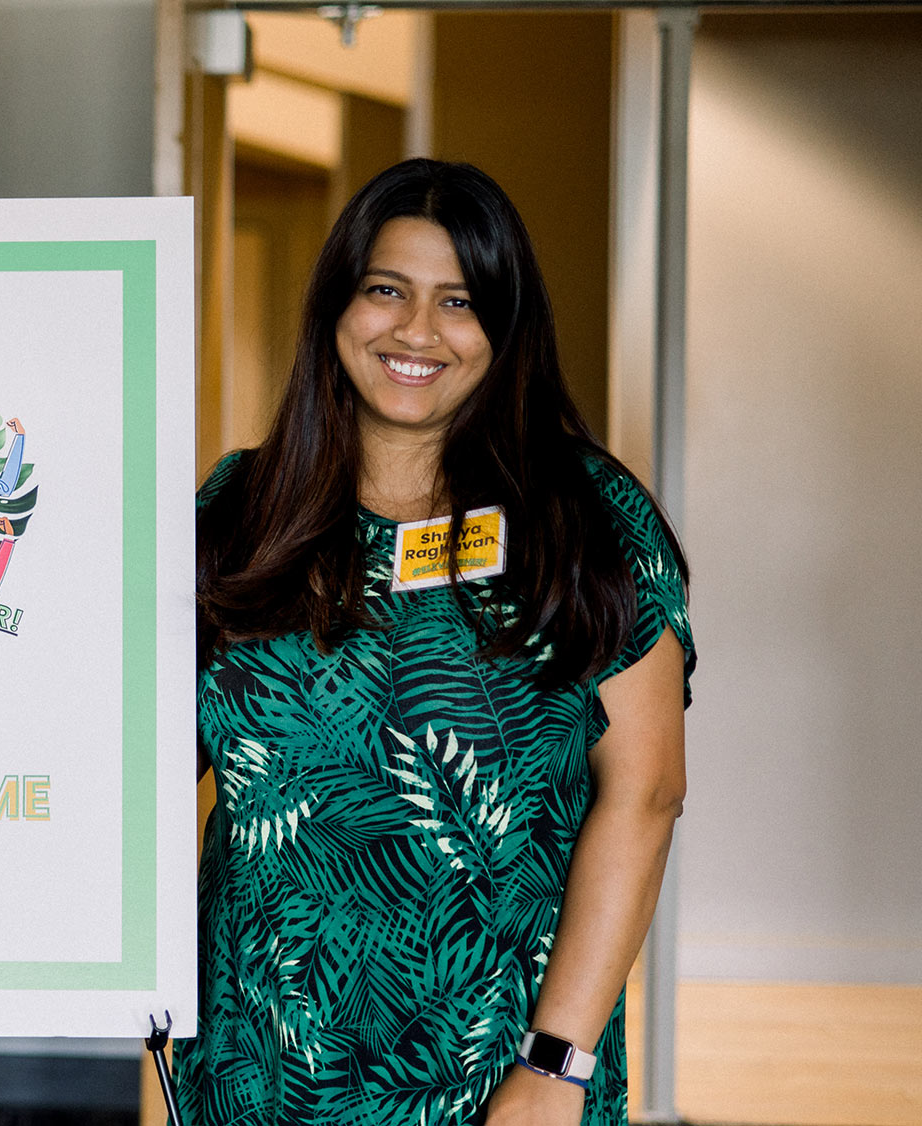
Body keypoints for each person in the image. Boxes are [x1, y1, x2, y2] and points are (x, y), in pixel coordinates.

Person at [181, 159, 693, 1126]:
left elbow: (648, 791)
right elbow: (152, 762)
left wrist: (556, 1068)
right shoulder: (238, 509)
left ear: (505, 328)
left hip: (501, 1075)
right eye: (387, 291)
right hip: (262, 1069)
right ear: (338, 305)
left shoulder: (585, 519)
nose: (417, 331)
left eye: (459, 302)